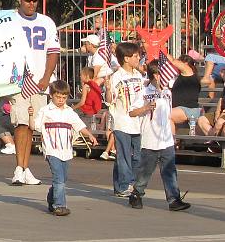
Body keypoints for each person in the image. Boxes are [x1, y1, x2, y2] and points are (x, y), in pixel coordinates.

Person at [11, 0, 60, 186]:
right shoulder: (10, 20)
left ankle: (26, 167)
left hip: (39, 79)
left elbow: (53, 51)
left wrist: (47, 77)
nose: (31, 4)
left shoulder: (46, 22)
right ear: (19, 0)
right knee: (21, 123)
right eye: (27, 0)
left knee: (32, 125)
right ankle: (18, 168)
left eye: (35, 0)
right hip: (18, 80)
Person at [128, 58, 191, 211]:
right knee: (145, 171)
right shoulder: (143, 92)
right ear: (156, 75)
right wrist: (145, 108)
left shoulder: (167, 91)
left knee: (169, 170)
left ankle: (173, 199)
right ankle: (136, 193)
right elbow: (132, 112)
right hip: (150, 139)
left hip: (166, 138)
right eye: (163, 73)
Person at [34, 80, 98, 216]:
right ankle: (60, 205)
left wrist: (90, 136)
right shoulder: (45, 111)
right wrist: (30, 116)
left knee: (62, 178)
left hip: (66, 150)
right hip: (52, 150)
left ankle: (52, 197)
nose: (61, 100)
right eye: (58, 97)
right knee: (59, 178)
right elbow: (36, 126)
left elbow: (79, 125)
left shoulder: (69, 112)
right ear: (51, 95)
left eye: (64, 97)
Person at [106, 41, 143, 197]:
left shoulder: (138, 75)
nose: (138, 58)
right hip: (122, 121)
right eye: (135, 56)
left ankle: (122, 184)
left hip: (138, 121)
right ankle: (124, 185)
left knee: (137, 155)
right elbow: (109, 100)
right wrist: (108, 89)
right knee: (124, 155)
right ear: (126, 58)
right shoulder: (117, 76)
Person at [169, 55, 213, 136]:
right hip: (182, 109)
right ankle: (176, 141)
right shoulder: (182, 76)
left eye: (180, 61)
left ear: (186, 64)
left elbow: (173, 61)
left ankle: (172, 142)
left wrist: (159, 48)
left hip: (188, 109)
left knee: (167, 115)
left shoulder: (189, 72)